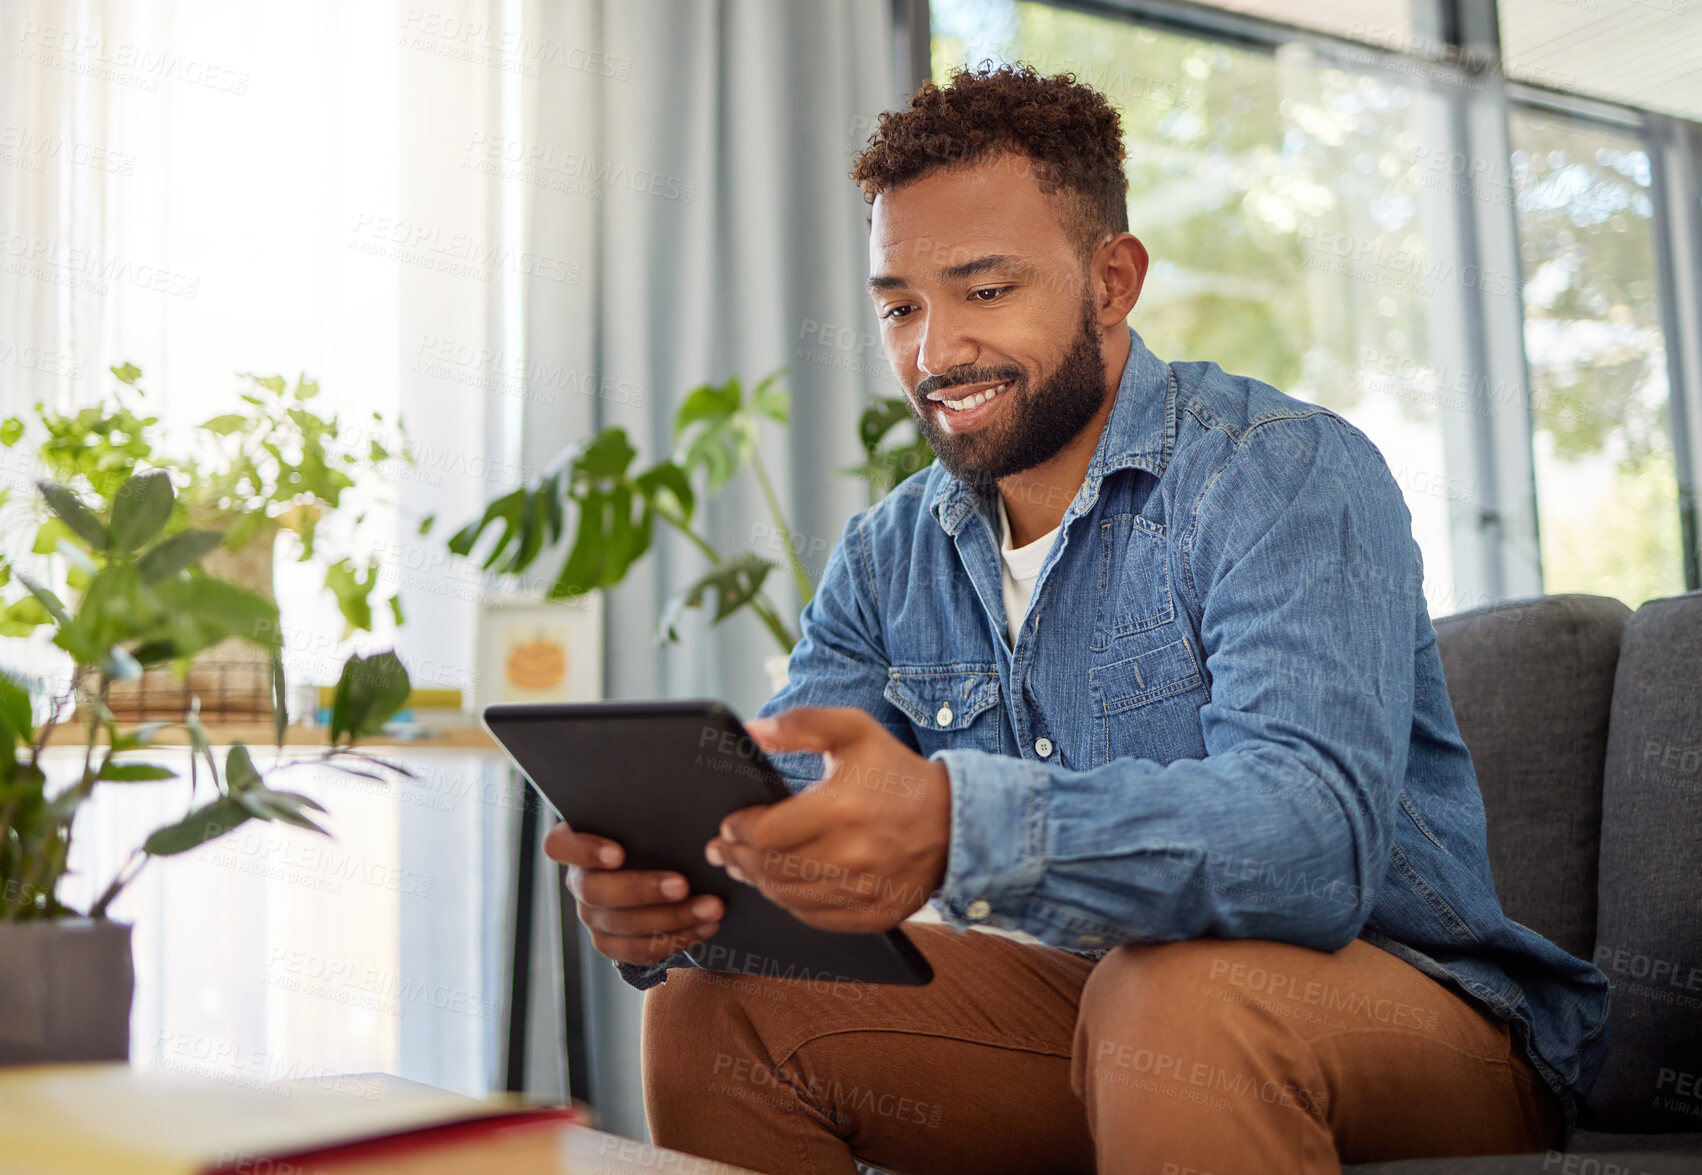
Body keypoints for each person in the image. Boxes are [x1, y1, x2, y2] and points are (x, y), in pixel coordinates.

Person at [543, 64, 1609, 1174]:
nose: (933, 352)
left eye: (985, 290)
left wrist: (959, 821)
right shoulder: (885, 554)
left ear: (1112, 280)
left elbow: (1312, 843)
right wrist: (689, 882)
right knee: (721, 1003)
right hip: (1100, 1004)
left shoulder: (1281, 471)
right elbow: (796, 804)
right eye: (900, 304)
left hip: (1419, 1013)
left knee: (1175, 990)